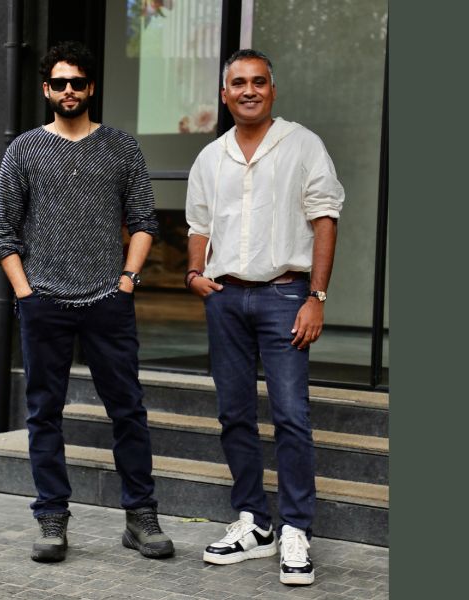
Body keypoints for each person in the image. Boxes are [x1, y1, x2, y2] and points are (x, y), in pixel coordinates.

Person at [0, 40, 174, 563]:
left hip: (108, 301)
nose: (68, 90)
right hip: (43, 301)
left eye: (77, 82)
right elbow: (1, 231)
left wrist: (128, 280)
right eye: (59, 82)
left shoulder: (121, 147)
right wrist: (25, 293)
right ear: (46, 89)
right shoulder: (24, 150)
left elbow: (144, 221)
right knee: (44, 413)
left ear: (91, 87)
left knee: (128, 411)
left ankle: (140, 516)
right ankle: (51, 518)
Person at [184, 49, 344, 586]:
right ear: (224, 94)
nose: (248, 90)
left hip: (285, 297)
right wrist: (193, 273)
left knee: (292, 415)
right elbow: (199, 225)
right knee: (233, 414)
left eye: (258, 82)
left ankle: (296, 528)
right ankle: (254, 523)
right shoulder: (211, 157)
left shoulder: (303, 145)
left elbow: (325, 218)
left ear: (272, 90)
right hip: (225, 299)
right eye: (238, 83)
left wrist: (316, 296)